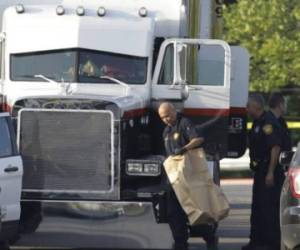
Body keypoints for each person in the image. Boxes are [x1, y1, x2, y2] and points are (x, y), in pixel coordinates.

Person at [158, 102, 218, 250]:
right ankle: (180, 243)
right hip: (173, 179)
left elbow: (198, 139)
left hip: (188, 176)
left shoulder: (184, 123)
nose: (166, 119)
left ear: (174, 111)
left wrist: (184, 149)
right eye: (162, 117)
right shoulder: (166, 131)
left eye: (168, 115)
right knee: (173, 214)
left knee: (193, 211)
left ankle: (210, 237)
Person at [242, 93, 290, 250]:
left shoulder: (268, 122)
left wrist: (270, 172)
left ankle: (271, 243)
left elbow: (275, 147)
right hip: (260, 170)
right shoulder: (257, 122)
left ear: (256, 106)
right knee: (258, 208)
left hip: (270, 171)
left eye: (248, 106)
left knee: (269, 208)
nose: (246, 109)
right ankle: (256, 241)